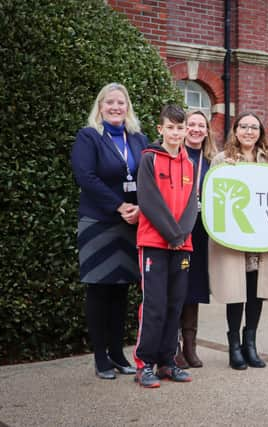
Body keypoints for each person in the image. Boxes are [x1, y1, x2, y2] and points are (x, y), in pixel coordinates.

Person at [71, 82, 148, 380]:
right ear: (100, 106)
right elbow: (86, 176)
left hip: (131, 224)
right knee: (99, 290)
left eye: (121, 103)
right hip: (100, 222)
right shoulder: (88, 136)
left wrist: (140, 208)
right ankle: (101, 357)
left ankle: (118, 353)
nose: (116, 107)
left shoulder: (139, 139)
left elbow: (149, 177)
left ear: (127, 107)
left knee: (121, 291)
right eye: (110, 102)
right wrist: (120, 206)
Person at [208, 112, 268, 370]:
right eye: (244, 127)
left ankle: (250, 343)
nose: (249, 132)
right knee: (235, 292)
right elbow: (212, 196)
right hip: (235, 237)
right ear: (236, 130)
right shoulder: (222, 160)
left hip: (261, 238)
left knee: (256, 291)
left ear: (260, 132)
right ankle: (234, 347)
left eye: (254, 127)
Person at [133, 104, 198, 388]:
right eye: (170, 128)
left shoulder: (189, 164)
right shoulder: (149, 158)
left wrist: (181, 235)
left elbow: (190, 207)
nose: (175, 133)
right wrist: (172, 235)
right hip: (154, 243)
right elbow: (148, 201)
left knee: (174, 305)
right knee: (155, 305)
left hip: (182, 245)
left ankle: (167, 362)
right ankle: (145, 364)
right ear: (160, 129)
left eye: (180, 128)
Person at [174, 111, 217, 369]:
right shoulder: (174, 155)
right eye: (192, 124)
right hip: (178, 227)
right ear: (183, 128)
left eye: (201, 125)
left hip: (202, 230)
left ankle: (191, 347)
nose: (196, 129)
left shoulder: (212, 161)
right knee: (177, 284)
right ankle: (174, 346)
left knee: (195, 286)